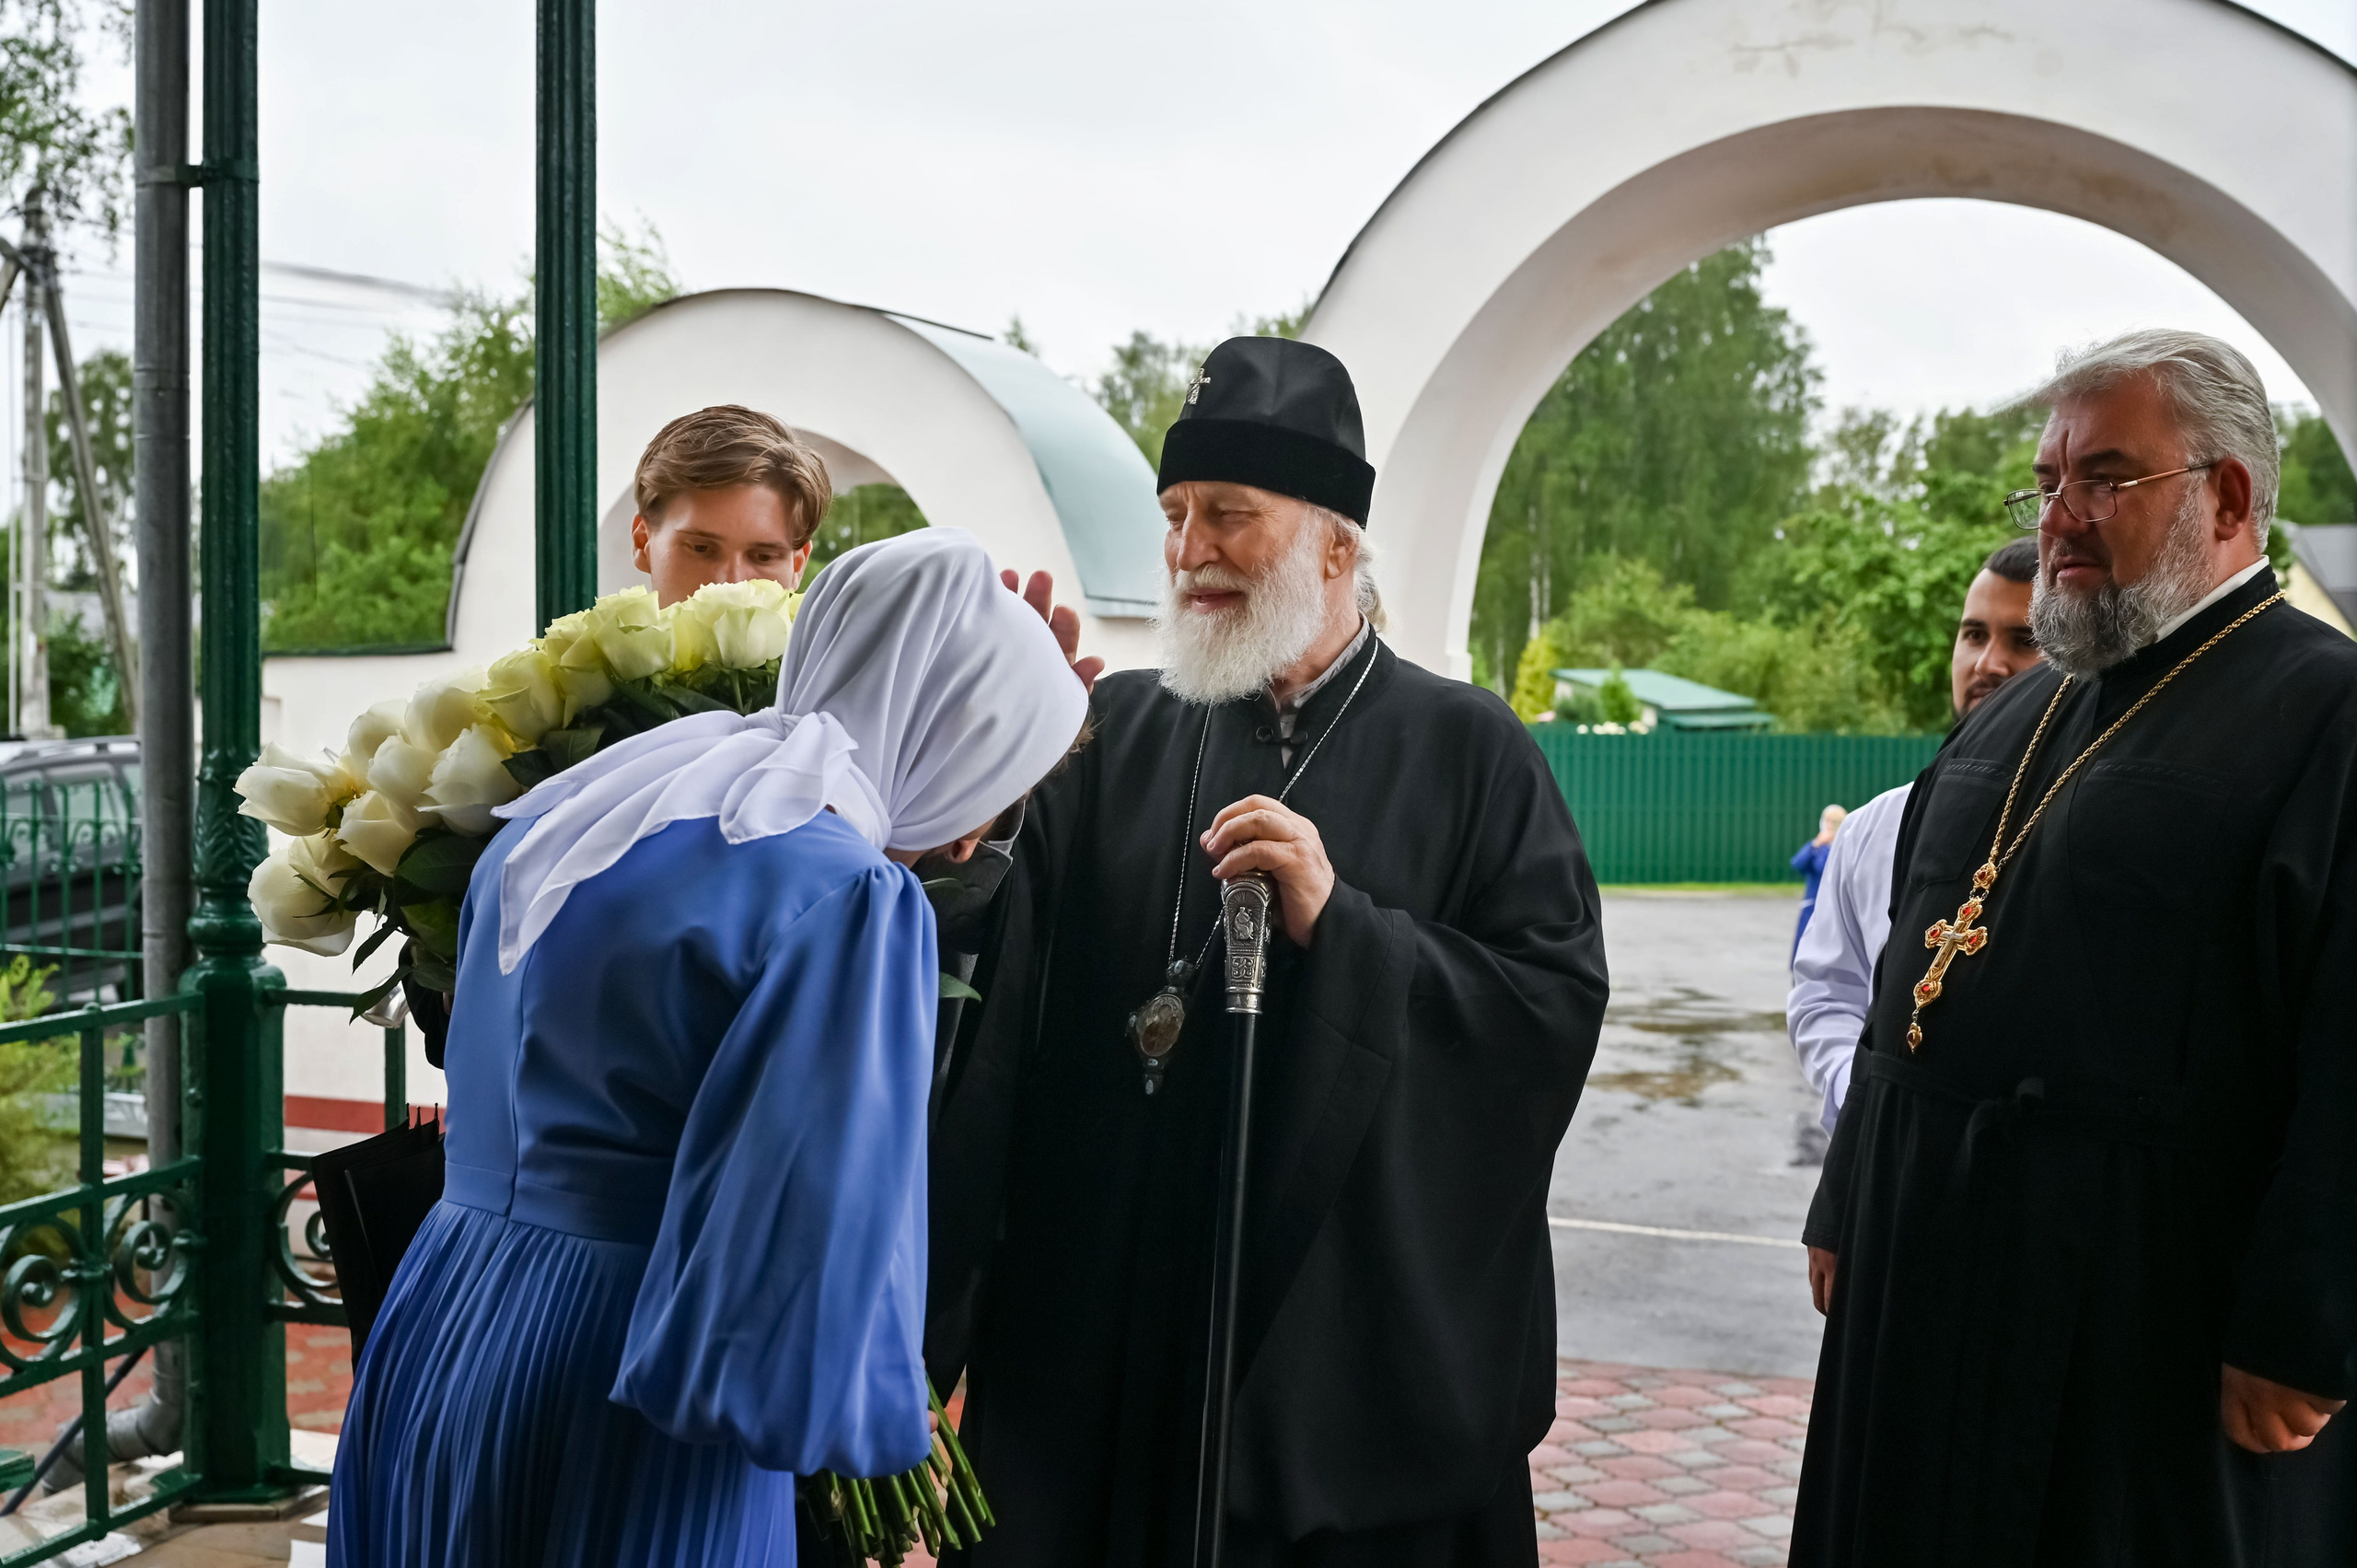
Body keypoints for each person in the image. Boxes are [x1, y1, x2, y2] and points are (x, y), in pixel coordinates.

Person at [925, 335, 1609, 1567]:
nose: (1190, 548)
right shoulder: (1105, 731)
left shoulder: (1471, 751)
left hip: (1334, 1376)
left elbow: (1542, 1013)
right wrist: (965, 835)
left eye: (1230, 515)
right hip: (1097, 1348)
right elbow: (989, 991)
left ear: (1337, 544)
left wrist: (1344, 934)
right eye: (1176, 513)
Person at [330, 528, 1090, 1567]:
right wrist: (877, 1434)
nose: (975, 835)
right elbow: (801, 1274)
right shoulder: (849, 892)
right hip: (629, 1369)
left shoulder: (583, 811)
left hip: (444, 1311)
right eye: (1002, 787)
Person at [1793, 330, 2356, 1566]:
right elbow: (1906, 977)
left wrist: (2308, 1323)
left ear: (2230, 494)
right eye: (2049, 481)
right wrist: (1850, 1193)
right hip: (1924, 1279)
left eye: (2107, 476)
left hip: (2142, 1310)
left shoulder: (2328, 711)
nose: (2062, 516)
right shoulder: (2019, 712)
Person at [1786, 536, 2042, 1132]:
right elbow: (1825, 993)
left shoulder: (2093, 829)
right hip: (1882, 1172)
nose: (1987, 664)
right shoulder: (1875, 829)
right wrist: (1869, 1107)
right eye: (1974, 635)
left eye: (2023, 641)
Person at [1788, 803, 1845, 959]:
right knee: (1804, 950)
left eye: (1835, 821)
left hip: (1835, 907)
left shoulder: (1845, 846)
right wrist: (1816, 844)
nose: (1830, 825)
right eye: (1827, 820)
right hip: (1812, 905)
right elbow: (1798, 864)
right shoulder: (1817, 846)